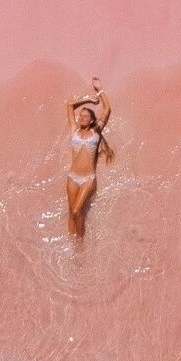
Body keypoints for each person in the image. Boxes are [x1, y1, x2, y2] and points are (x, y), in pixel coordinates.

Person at [65, 77, 114, 241]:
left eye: (85, 116)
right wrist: (87, 100)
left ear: (92, 120)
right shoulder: (74, 130)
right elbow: (69, 105)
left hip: (88, 179)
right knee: (71, 212)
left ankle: (80, 242)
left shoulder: (96, 132)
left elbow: (107, 109)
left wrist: (100, 90)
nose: (81, 117)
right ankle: (72, 242)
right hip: (72, 178)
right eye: (80, 115)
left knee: (77, 211)